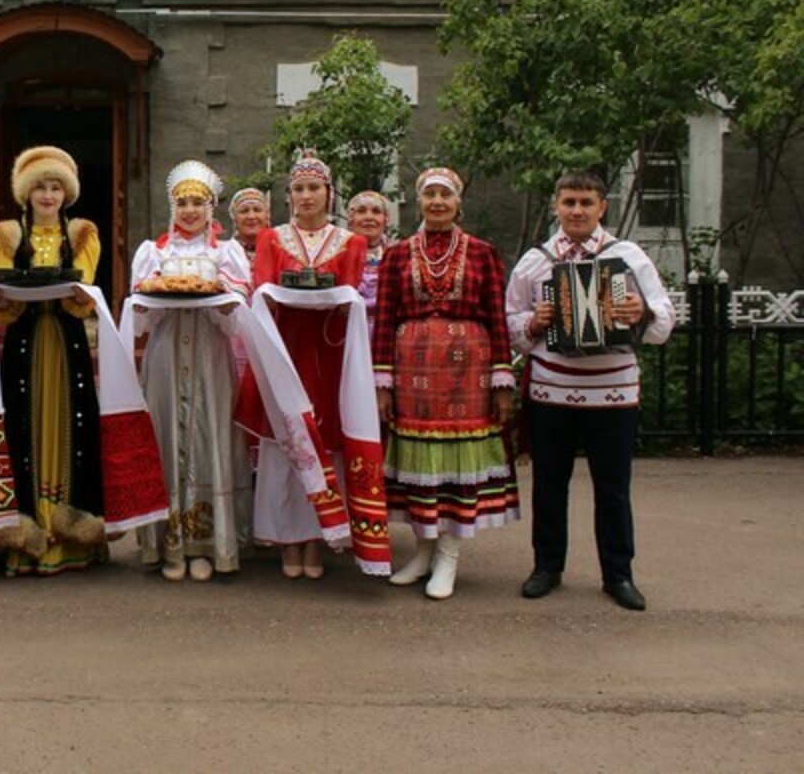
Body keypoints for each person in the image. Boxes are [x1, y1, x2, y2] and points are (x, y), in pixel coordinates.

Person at [506, 171, 674, 611]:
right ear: (556, 207)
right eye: (569, 202)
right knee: (548, 484)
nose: (577, 210)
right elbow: (510, 328)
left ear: (603, 207)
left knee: (614, 486)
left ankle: (618, 574)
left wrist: (640, 312)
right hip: (551, 390)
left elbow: (664, 322)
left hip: (614, 392)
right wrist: (535, 322)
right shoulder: (535, 262)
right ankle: (547, 567)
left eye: (586, 202)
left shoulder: (628, 256)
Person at [371, 168, 518, 599]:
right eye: (429, 194)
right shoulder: (397, 255)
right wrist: (383, 382)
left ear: (459, 203)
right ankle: (422, 550)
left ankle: (449, 555)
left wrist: (501, 378)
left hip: (466, 375)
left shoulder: (481, 253)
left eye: (445, 195)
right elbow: (384, 320)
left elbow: (496, 317)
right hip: (413, 374)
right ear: (418, 202)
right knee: (420, 465)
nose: (437, 202)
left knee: (455, 465)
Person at [244, 150, 368, 579]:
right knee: (286, 444)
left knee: (323, 443)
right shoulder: (271, 239)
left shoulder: (352, 242)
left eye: (314, 187)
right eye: (299, 188)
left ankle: (316, 539)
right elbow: (261, 292)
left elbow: (350, 295)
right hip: (286, 351)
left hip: (327, 354)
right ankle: (287, 543)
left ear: (329, 193)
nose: (307, 195)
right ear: (289, 195)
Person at [130, 160, 253, 582]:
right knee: (166, 435)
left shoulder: (224, 254)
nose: (189, 210)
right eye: (181, 202)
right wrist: (148, 299)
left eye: (197, 202)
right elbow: (141, 316)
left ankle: (206, 543)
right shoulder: (155, 253)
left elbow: (236, 313)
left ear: (210, 207)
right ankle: (168, 543)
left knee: (209, 436)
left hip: (210, 355)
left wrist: (220, 298)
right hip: (165, 357)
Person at [0, 146, 104, 576]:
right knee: (24, 428)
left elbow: (85, 294)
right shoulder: (5, 236)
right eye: (40, 187)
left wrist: (77, 297)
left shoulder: (83, 235)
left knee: (69, 427)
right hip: (24, 344)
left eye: (56, 187)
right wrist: (2, 299)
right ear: (26, 193)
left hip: (65, 340)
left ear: (66, 193)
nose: (48, 195)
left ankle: (70, 539)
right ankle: (27, 536)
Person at [346, 190, 391, 316]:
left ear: (386, 219)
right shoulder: (339, 252)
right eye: (361, 211)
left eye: (376, 211)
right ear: (351, 219)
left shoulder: (396, 255)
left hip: (385, 326)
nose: (369, 217)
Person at [228, 187, 270, 260]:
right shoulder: (224, 253)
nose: (251, 216)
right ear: (234, 218)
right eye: (244, 211)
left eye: (257, 210)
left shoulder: (282, 251)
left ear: (267, 216)